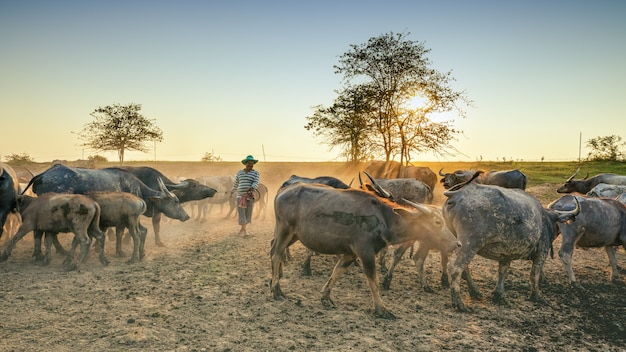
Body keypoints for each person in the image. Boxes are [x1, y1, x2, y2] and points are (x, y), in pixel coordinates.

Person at [231, 155, 260, 236]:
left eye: (252, 164)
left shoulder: (255, 173)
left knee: (248, 213)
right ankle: (245, 230)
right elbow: (236, 183)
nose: (250, 165)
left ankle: (243, 229)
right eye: (249, 163)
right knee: (241, 213)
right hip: (240, 196)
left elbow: (256, 182)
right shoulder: (240, 173)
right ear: (245, 164)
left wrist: (252, 187)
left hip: (250, 196)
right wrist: (232, 191)